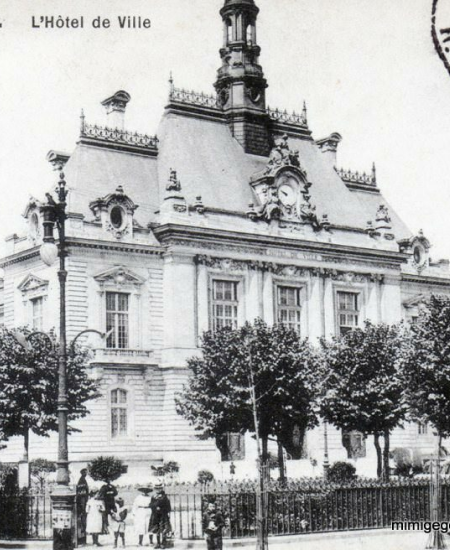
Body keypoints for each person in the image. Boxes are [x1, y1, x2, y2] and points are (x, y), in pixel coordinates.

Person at [149, 484, 172, 549]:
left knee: (164, 529)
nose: (158, 490)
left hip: (163, 515)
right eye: (156, 488)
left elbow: (168, 507)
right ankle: (158, 543)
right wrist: (154, 507)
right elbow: (150, 505)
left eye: (159, 488)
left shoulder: (164, 497)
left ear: (162, 489)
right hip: (155, 515)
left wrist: (161, 509)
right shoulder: (153, 497)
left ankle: (163, 543)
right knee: (157, 529)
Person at [76, 468, 89, 544]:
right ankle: (82, 540)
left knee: (83, 521)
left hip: (83, 502)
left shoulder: (83, 479)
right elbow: (82, 492)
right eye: (85, 472)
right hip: (82, 503)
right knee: (82, 521)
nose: (86, 473)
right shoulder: (82, 480)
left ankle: (83, 539)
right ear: (82, 473)